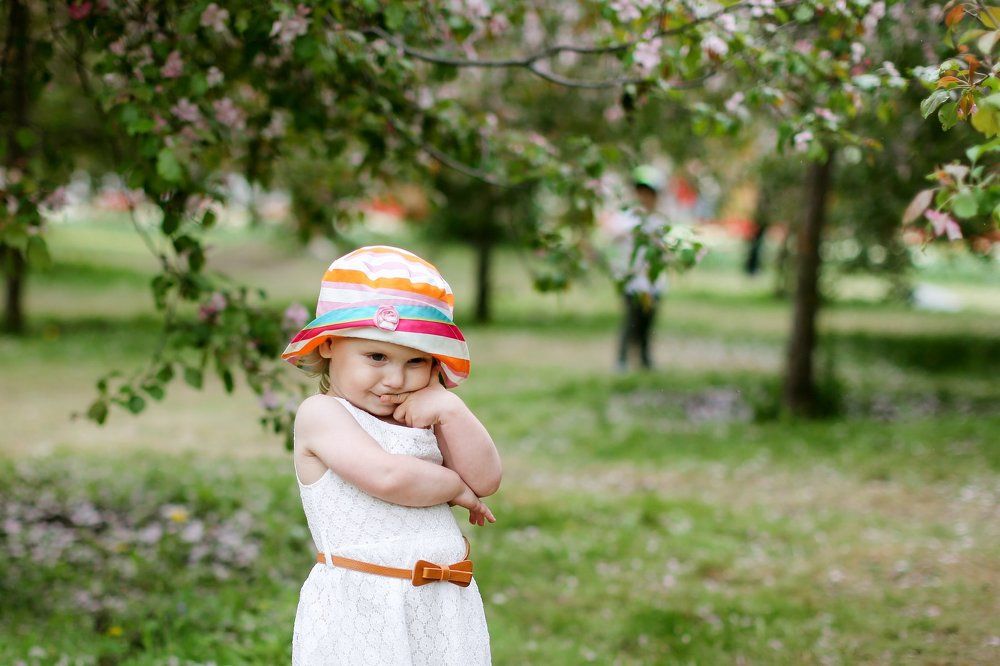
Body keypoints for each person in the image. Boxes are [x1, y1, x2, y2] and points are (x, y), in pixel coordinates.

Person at [281, 245, 501, 665]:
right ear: (329, 345)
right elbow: (389, 478)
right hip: (365, 610)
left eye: (416, 361)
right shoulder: (322, 414)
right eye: (377, 356)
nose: (396, 379)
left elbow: (487, 480)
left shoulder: (424, 414)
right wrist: (454, 486)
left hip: (440, 608)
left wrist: (452, 411)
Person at [603, 165, 670, 372]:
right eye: (641, 193)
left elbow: (665, 249)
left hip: (653, 284)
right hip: (631, 282)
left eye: (649, 194)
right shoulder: (626, 219)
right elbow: (612, 233)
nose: (644, 198)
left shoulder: (658, 222)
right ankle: (621, 360)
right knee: (630, 322)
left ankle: (645, 360)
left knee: (647, 324)